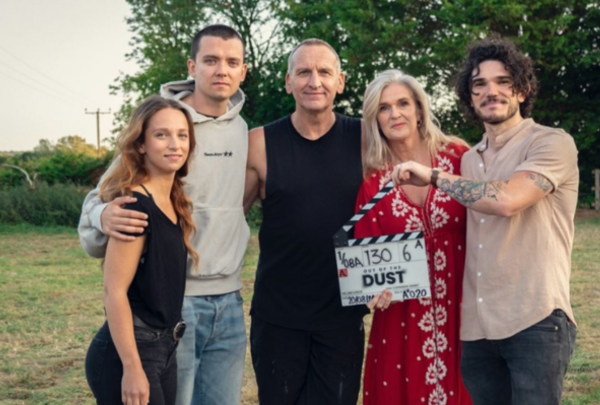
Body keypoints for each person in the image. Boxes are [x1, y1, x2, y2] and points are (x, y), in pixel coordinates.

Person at [392, 36, 579, 405]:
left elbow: (507, 199)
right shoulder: (468, 160)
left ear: (523, 90)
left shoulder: (551, 143)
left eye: (503, 81)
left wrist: (433, 176)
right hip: (476, 329)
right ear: (469, 96)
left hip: (536, 320)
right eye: (479, 84)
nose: (490, 91)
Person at [78, 24, 249, 405]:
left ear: (243, 71)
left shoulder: (244, 133)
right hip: (176, 302)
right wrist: (102, 214)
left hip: (230, 302)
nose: (221, 69)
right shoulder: (162, 125)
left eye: (231, 62)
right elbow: (100, 197)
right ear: (192, 66)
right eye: (210, 60)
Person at [244, 39, 368, 405]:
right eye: (303, 72)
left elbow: (422, 151)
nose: (315, 81)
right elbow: (224, 211)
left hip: (342, 314)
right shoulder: (259, 142)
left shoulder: (366, 138)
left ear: (340, 81)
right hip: (278, 312)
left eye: (324, 72)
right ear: (288, 82)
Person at [354, 69, 474, 405]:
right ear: (374, 118)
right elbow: (365, 252)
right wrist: (371, 290)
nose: (395, 114)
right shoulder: (372, 179)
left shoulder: (458, 157)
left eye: (403, 103)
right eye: (384, 107)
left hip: (463, 310)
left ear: (419, 109)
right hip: (401, 319)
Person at [84, 96, 197, 405]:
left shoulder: (173, 201)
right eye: (162, 134)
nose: (175, 143)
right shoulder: (134, 207)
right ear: (142, 144)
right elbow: (114, 291)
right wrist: (133, 369)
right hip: (131, 353)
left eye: (182, 134)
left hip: (166, 347)